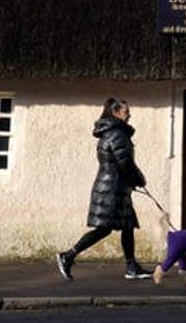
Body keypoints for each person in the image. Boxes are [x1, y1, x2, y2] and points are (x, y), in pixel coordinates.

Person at [56, 97, 151, 280]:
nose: (129, 114)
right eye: (126, 111)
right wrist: (139, 179)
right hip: (111, 190)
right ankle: (68, 256)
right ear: (116, 112)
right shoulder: (117, 134)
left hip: (115, 187)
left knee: (128, 225)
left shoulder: (112, 132)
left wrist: (133, 180)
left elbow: (123, 163)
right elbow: (125, 162)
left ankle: (132, 267)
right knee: (104, 229)